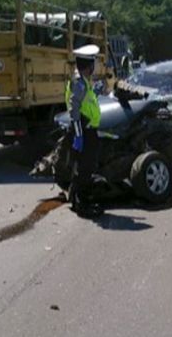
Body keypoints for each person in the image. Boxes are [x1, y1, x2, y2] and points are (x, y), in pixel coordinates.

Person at [65, 44, 103, 218]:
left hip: (88, 131)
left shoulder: (84, 82)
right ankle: (82, 205)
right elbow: (75, 111)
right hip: (84, 132)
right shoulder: (79, 84)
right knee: (85, 170)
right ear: (89, 66)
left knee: (84, 168)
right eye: (93, 63)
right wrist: (79, 136)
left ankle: (77, 200)